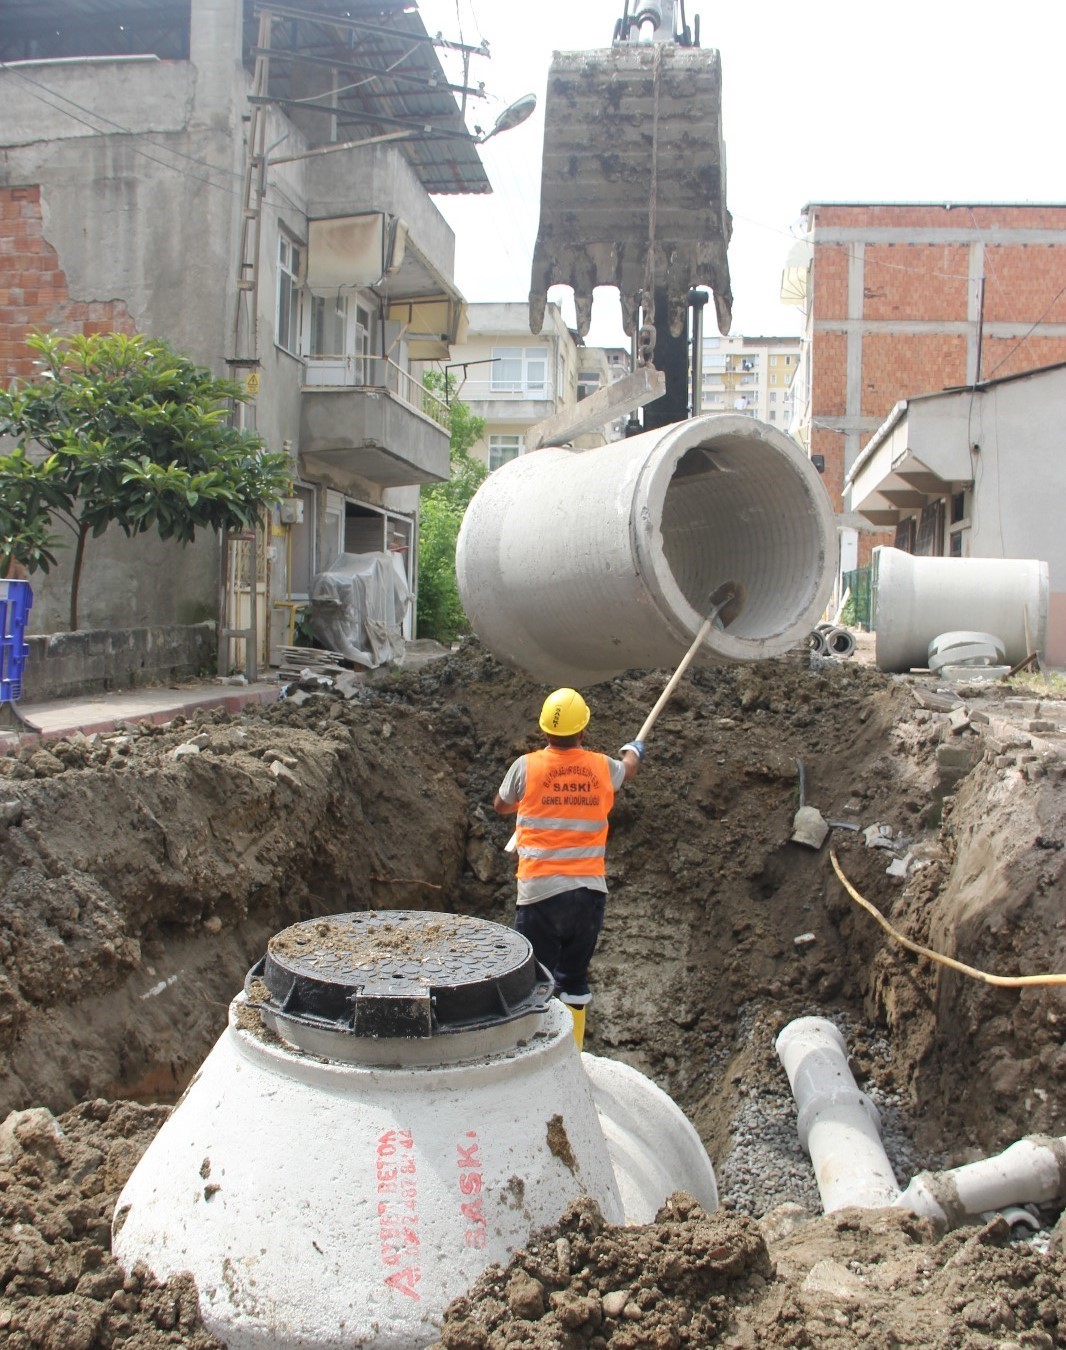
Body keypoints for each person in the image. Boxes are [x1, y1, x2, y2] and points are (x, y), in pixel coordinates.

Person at [493, 687, 643, 1050]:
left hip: (540, 895)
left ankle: (533, 1054)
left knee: (533, 980)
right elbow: (628, 770)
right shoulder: (602, 767)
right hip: (588, 895)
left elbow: (501, 805)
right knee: (574, 980)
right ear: (584, 730)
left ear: (544, 731)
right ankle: (572, 1055)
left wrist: (532, 801)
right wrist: (633, 750)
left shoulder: (526, 766)